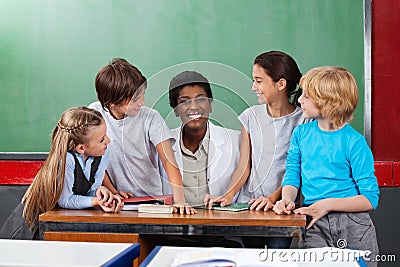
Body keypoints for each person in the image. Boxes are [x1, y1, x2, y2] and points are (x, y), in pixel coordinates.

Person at [273, 66, 379, 265]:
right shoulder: (301, 134)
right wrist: (287, 199)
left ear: (327, 101)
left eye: (306, 96)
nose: (299, 100)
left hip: (352, 225)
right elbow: (293, 174)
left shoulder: (354, 142)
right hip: (314, 222)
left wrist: (328, 205)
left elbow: (370, 199)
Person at [205, 51, 308, 248]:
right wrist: (228, 195)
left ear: (281, 84)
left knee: (275, 256)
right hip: (250, 206)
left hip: (282, 208)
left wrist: (272, 199)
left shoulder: (304, 120)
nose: (254, 87)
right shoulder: (250, 116)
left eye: (259, 81)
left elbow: (297, 170)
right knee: (251, 256)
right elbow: (244, 165)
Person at [89, 58, 195, 214]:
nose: (141, 103)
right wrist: (112, 190)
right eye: (135, 99)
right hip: (115, 203)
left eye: (142, 95)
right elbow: (94, 158)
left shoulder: (151, 117)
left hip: (151, 201)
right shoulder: (95, 113)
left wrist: (180, 201)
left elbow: (168, 161)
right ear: (112, 103)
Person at [0, 106, 122, 239]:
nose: (108, 141)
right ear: (81, 148)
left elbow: (90, 192)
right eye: (102, 139)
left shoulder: (103, 153)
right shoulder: (67, 160)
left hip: (61, 220)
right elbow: (66, 200)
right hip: (33, 224)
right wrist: (95, 201)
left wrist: (101, 194)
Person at [167, 71, 241, 206]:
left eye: (201, 99)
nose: (194, 107)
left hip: (223, 223)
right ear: (176, 110)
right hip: (175, 224)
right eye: (185, 101)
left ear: (210, 105)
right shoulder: (163, 144)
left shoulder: (237, 141)